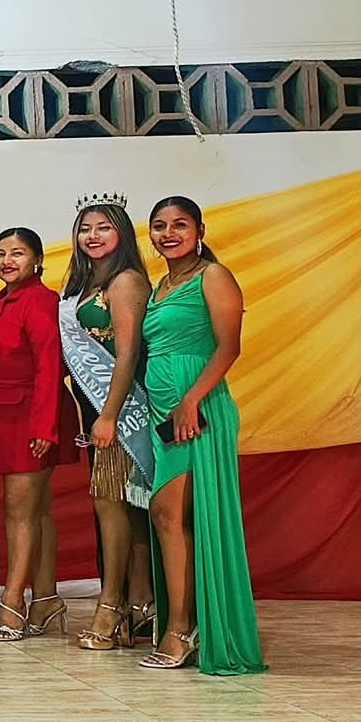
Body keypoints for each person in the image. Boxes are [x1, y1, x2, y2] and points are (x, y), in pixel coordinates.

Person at [141, 196, 264, 675]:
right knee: (173, 517)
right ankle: (185, 623)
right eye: (159, 225)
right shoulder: (159, 286)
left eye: (179, 224)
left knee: (168, 514)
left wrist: (191, 400)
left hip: (197, 409)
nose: (168, 233)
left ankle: (181, 629)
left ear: (200, 231)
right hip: (163, 412)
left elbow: (229, 347)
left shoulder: (213, 276)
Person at [59, 195, 157, 650]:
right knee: (127, 509)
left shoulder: (126, 280)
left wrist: (111, 415)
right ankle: (141, 605)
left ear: (122, 234)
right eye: (85, 228)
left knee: (113, 504)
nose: (92, 236)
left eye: (103, 227)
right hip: (98, 409)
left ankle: (111, 605)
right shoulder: (83, 283)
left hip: (123, 411)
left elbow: (128, 353)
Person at [0, 228, 81, 641]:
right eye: (0, 253)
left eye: (17, 253)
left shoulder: (39, 300)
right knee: (37, 510)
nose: (7, 261)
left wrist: (44, 426)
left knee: (19, 511)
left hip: (32, 413)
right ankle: (47, 597)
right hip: (3, 413)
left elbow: (50, 365)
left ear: (37, 260)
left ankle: (13, 602)